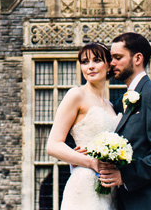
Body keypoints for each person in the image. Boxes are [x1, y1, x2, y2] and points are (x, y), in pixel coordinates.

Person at [99, 32, 151, 210]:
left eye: (117, 57)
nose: (111, 63)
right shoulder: (121, 101)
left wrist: (125, 176)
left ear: (137, 58)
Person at [47, 42, 121, 210]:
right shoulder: (76, 95)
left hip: (109, 188)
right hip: (84, 185)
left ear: (109, 65)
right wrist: (90, 162)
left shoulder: (110, 106)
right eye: (85, 62)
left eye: (96, 60)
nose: (90, 67)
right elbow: (52, 145)